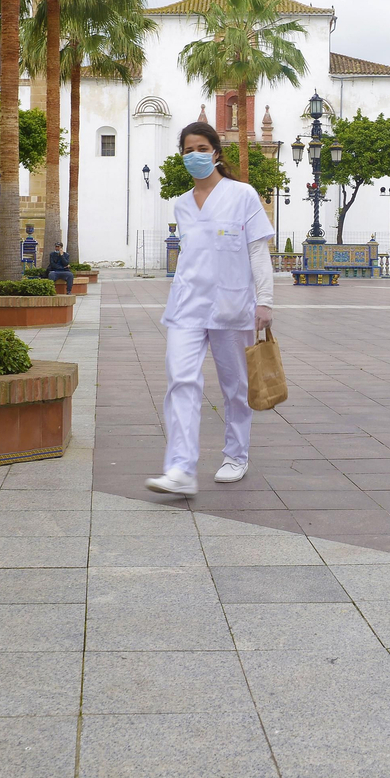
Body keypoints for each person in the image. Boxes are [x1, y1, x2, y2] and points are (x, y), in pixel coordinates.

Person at [145, 122, 275, 498]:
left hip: (232, 305)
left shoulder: (242, 195)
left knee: (235, 387)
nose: (194, 156)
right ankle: (181, 469)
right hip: (187, 305)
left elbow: (257, 252)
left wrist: (264, 300)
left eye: (201, 148)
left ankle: (236, 455)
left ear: (216, 152)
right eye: (188, 150)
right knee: (181, 380)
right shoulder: (182, 204)